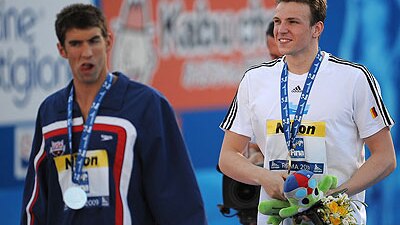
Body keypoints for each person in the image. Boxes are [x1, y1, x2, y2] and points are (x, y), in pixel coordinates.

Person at [20, 3, 207, 225]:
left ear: (108, 41)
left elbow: (177, 198)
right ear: (62, 50)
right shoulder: (51, 113)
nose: (87, 53)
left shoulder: (146, 105)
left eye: (94, 41)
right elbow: (36, 200)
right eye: (76, 44)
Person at [218, 0, 396, 224]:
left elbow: (385, 157)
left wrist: (336, 195)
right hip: (276, 218)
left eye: (293, 22)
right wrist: (265, 176)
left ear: (317, 29)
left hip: (336, 218)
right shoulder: (254, 80)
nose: (281, 30)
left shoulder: (354, 79)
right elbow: (227, 157)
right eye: (277, 21)